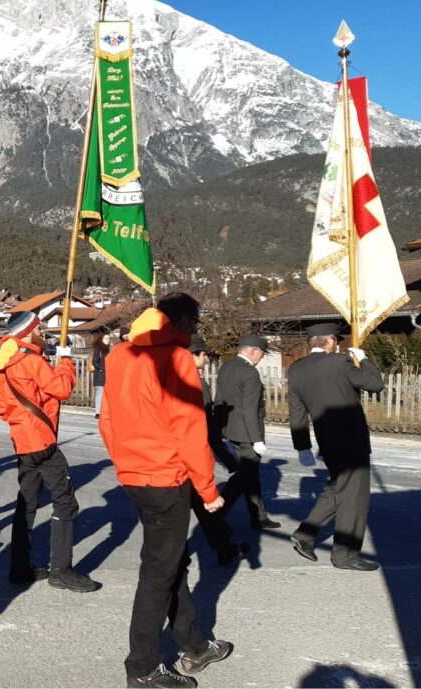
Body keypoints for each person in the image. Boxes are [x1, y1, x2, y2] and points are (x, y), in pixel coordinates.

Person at [100, 293, 232, 688]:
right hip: (166, 480)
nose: (195, 332)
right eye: (195, 324)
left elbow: (107, 418)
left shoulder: (119, 355)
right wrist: (208, 491)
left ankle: (194, 644)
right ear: (185, 321)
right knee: (158, 573)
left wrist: (124, 461)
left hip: (134, 476)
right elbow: (190, 431)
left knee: (172, 562)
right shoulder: (176, 359)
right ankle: (143, 668)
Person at [0, 312, 99, 592]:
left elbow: (3, 408)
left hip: (23, 439)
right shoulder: (30, 360)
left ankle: (19, 568)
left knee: (27, 503)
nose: (42, 332)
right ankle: (61, 571)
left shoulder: (5, 359)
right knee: (65, 502)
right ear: (27, 332)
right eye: (38, 329)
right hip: (41, 440)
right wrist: (65, 361)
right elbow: (62, 389)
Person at [288, 323, 385, 572]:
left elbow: (296, 410)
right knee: (354, 498)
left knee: (337, 489)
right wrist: (363, 360)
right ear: (330, 341)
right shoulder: (340, 362)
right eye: (337, 341)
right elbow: (375, 384)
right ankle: (345, 555)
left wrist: (302, 446)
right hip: (351, 441)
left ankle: (305, 534)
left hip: (327, 441)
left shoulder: (296, 369)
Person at [187, 335, 248, 566]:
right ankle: (219, 547)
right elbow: (204, 424)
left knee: (199, 506)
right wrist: (227, 457)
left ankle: (223, 546)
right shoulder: (195, 382)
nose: (206, 359)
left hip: (175, 456)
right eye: (204, 355)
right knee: (198, 504)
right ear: (194, 355)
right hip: (191, 455)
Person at [215, 335, 280, 530]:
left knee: (250, 475)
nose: (261, 358)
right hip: (247, 433)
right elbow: (249, 409)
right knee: (244, 476)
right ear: (254, 351)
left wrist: (221, 429)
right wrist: (256, 439)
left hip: (232, 430)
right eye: (262, 354)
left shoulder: (226, 367)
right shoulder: (249, 372)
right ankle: (216, 515)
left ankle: (258, 516)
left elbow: (219, 401)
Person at [91, 331, 109, 418]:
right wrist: (104, 368)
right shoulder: (98, 349)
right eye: (106, 338)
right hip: (99, 375)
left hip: (106, 375)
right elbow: (94, 362)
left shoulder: (107, 349)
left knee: (105, 393)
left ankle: (104, 410)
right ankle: (98, 412)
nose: (108, 340)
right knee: (100, 393)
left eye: (109, 338)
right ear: (101, 339)